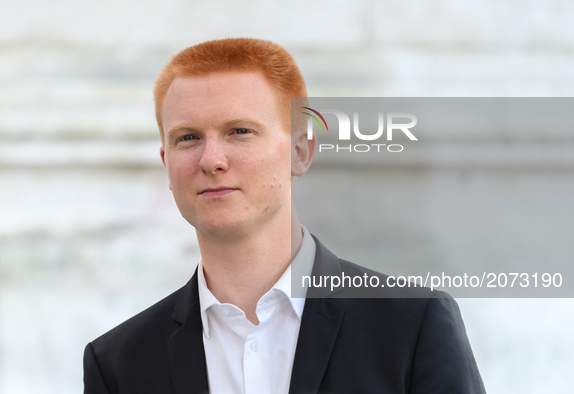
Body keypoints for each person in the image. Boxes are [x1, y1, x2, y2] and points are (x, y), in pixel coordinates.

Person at [83, 38, 486, 394]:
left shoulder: (413, 325)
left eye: (239, 131)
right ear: (166, 162)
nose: (211, 160)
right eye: (188, 137)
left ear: (300, 152)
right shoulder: (117, 363)